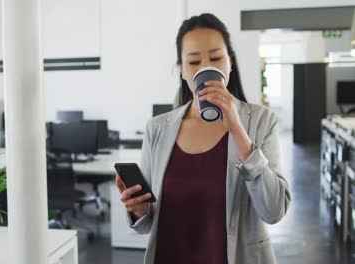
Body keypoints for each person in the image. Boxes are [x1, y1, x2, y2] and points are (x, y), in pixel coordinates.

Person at [115, 13, 291, 264]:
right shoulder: (157, 129)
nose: (206, 67)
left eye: (216, 58)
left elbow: (274, 211)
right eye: (194, 61)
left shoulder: (261, 122)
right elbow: (147, 224)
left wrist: (238, 132)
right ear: (182, 71)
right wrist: (138, 209)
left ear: (230, 63)